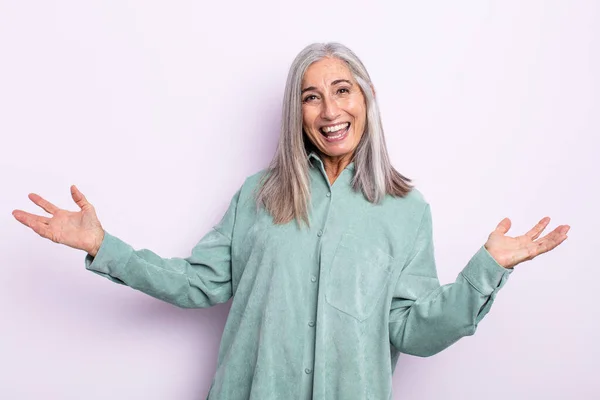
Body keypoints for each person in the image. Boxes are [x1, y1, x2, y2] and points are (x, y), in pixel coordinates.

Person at [12, 42, 570, 400]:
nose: (330, 111)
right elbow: (199, 283)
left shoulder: (407, 210)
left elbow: (411, 331)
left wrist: (487, 268)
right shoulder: (259, 195)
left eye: (342, 91)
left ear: (367, 98)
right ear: (296, 113)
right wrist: (104, 246)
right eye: (311, 97)